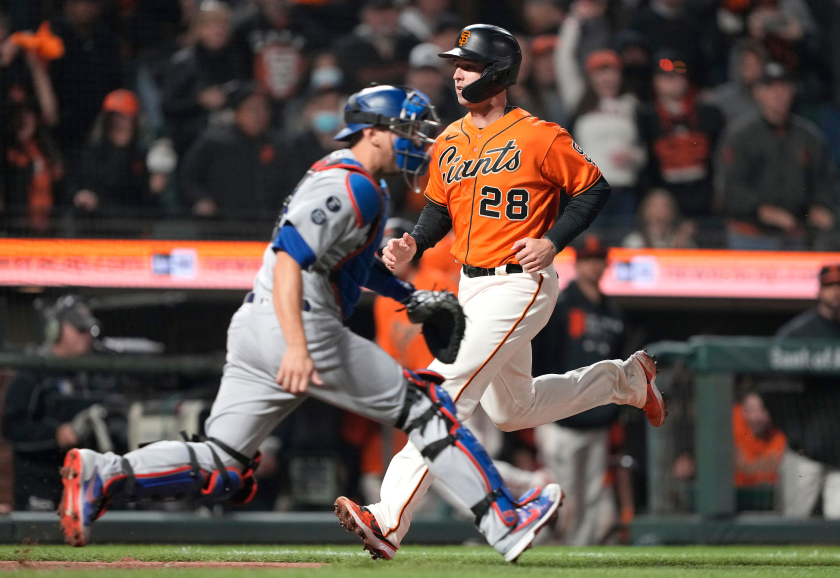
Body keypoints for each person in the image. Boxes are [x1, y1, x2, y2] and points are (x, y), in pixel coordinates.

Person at [57, 85, 563, 564]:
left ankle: (105, 474)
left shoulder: (350, 179)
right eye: (405, 133)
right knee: (428, 408)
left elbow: (348, 266)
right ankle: (504, 520)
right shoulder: (352, 186)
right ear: (373, 132)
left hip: (258, 325)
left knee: (224, 461)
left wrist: (411, 296)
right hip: (298, 322)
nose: (415, 144)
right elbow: (287, 261)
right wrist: (298, 347)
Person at [347, 24, 666, 560]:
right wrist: (414, 246)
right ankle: (625, 380)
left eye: (468, 64)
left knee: (443, 394)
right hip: (472, 284)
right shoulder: (450, 138)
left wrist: (553, 241)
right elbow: (440, 207)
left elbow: (594, 188)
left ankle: (388, 517)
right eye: (457, 63)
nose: (457, 71)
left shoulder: (540, 134)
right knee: (515, 410)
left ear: (496, 74)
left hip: (519, 282)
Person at [530, 236, 626, 545]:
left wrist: (611, 410)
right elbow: (542, 355)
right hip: (560, 417)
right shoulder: (561, 303)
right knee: (561, 491)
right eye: (588, 259)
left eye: (599, 260)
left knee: (592, 493)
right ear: (578, 263)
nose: (594, 266)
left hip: (596, 418)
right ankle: (541, 547)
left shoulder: (613, 313)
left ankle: (580, 553)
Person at [719, 62, 835, 250]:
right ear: (757, 93)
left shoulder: (808, 136)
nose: (778, 94)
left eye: (783, 86)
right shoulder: (739, 136)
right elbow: (729, 188)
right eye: (770, 87)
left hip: (796, 233)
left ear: (793, 91)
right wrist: (762, 209)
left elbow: (825, 179)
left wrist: (820, 205)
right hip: (750, 235)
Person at [1, 296, 103, 511]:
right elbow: (12, 429)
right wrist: (55, 434)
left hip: (87, 483)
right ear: (55, 330)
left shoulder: (96, 374)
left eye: (89, 331)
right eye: (79, 330)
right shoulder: (31, 373)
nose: (86, 337)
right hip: (41, 483)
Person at [771, 265, 840, 518]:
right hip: (805, 450)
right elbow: (772, 387)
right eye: (830, 286)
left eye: (839, 286)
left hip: (838, 450)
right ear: (819, 291)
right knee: (793, 523)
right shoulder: (797, 333)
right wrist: (795, 433)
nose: (836, 293)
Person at [562, 49, 646, 225]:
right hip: (589, 191)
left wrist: (633, 156)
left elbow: (645, 152)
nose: (607, 78)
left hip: (624, 189)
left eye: (612, 72)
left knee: (623, 246)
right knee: (590, 247)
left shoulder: (631, 105)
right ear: (590, 77)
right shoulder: (578, 102)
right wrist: (574, 23)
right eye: (600, 73)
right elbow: (564, 62)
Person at [637, 52, 724, 219]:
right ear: (655, 80)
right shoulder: (645, 118)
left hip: (707, 199)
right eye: (665, 76)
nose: (672, 81)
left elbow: (721, 157)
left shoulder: (709, 114)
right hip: (664, 203)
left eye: (677, 75)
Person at [180, 84, 285, 219]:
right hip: (220, 225)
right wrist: (200, 199)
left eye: (264, 110)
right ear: (237, 112)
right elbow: (188, 176)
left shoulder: (278, 144)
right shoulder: (214, 141)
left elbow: (288, 182)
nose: (259, 116)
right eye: (252, 110)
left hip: (265, 224)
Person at [162, 0, 247, 157]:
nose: (219, 31)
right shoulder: (183, 63)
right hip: (191, 144)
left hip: (230, 143)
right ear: (199, 29)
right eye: (212, 25)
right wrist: (199, 101)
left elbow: (244, 93)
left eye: (223, 25)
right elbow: (167, 107)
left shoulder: (236, 61)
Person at [68, 89, 160, 217]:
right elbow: (74, 184)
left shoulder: (141, 157)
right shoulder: (91, 153)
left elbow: (145, 201)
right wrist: (79, 194)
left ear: (135, 122)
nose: (119, 123)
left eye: (124, 117)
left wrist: (153, 188)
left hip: (130, 228)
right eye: (115, 117)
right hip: (95, 226)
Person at [49, 0, 122, 155]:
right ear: (67, 5)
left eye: (91, 3)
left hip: (99, 129)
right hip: (58, 130)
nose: (84, 8)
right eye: (78, 2)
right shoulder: (53, 39)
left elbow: (116, 85)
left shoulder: (107, 40)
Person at [332, 0, 420, 92]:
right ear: (365, 16)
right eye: (378, 13)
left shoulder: (412, 43)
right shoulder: (348, 47)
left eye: (390, 12)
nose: (385, 18)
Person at [733, 391, 786, 510]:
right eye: (750, 410)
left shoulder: (779, 433)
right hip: (734, 500)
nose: (756, 417)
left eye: (762, 410)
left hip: (769, 502)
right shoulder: (732, 421)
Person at [622, 188, 696, 248]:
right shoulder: (634, 241)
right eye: (654, 206)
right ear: (644, 211)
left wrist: (681, 247)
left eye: (664, 206)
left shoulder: (684, 241)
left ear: (673, 211)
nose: (659, 212)